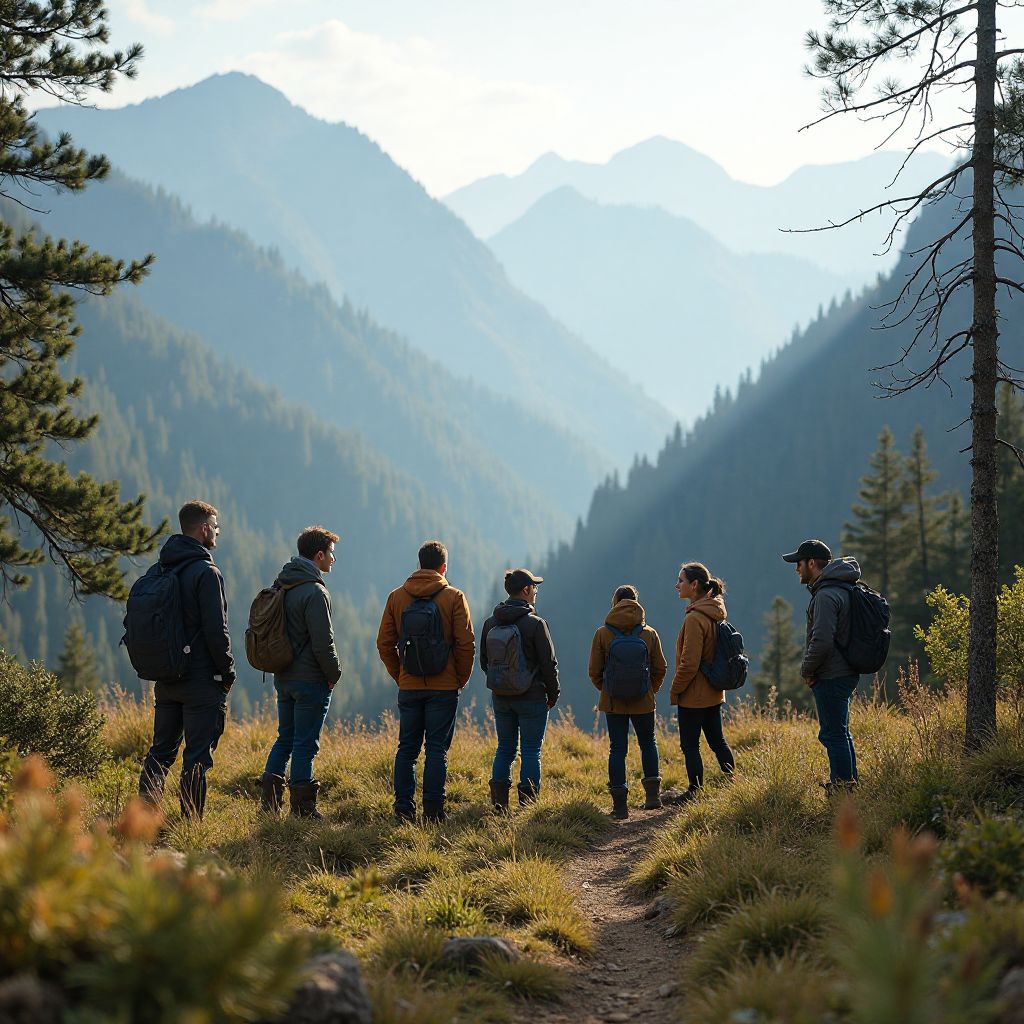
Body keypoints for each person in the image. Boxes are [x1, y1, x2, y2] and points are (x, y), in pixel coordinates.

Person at [138, 500, 235, 819]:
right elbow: (216, 630)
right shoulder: (207, 572)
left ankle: (142, 820)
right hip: (200, 680)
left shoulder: (161, 569)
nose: (217, 532)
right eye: (215, 527)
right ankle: (191, 825)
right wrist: (227, 671)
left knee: (161, 752)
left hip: (166, 677)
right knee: (197, 756)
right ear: (204, 528)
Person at [376, 540, 475, 823]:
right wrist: (459, 679)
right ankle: (433, 812)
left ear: (419, 564)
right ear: (443, 567)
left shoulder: (397, 597)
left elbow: (384, 644)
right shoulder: (454, 597)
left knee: (406, 749)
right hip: (444, 687)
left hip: (409, 686)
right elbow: (465, 644)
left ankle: (403, 810)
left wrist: (401, 675)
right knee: (436, 749)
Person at [260, 525, 342, 820]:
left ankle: (269, 803)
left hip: (283, 676)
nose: (333, 559)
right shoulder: (315, 592)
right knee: (306, 744)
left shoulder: (283, 584)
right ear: (319, 555)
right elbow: (323, 643)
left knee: (285, 737)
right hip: (311, 679)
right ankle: (302, 810)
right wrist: (334, 674)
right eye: (331, 554)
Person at [782, 538, 861, 789]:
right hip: (845, 670)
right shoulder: (841, 588)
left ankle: (841, 788)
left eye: (799, 563)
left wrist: (807, 669)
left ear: (812, 563)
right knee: (840, 731)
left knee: (832, 734)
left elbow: (822, 640)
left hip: (831, 674)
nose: (796, 569)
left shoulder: (826, 595)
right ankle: (849, 783)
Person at [480, 568, 560, 811]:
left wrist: (503, 684)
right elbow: (549, 664)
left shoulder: (490, 622)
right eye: (534, 587)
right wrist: (553, 693)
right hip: (532, 697)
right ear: (526, 590)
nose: (536, 591)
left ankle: (499, 806)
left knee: (505, 748)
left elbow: (485, 662)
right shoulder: (536, 624)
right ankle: (527, 807)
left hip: (501, 697)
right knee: (530, 750)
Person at [589, 584, 667, 819]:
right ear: (636, 603)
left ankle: (620, 807)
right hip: (643, 700)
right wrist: (648, 691)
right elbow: (660, 668)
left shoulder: (603, 633)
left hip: (613, 702)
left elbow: (594, 671)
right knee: (647, 742)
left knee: (617, 749)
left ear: (614, 603)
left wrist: (609, 690)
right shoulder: (649, 633)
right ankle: (652, 798)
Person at [668, 561, 735, 803]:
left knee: (690, 745)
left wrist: (675, 689)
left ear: (694, 585)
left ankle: (695, 793)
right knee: (717, 740)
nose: (677, 585)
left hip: (694, 695)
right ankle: (732, 783)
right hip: (714, 692)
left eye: (681, 581)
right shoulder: (714, 611)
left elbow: (689, 663)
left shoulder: (695, 619)